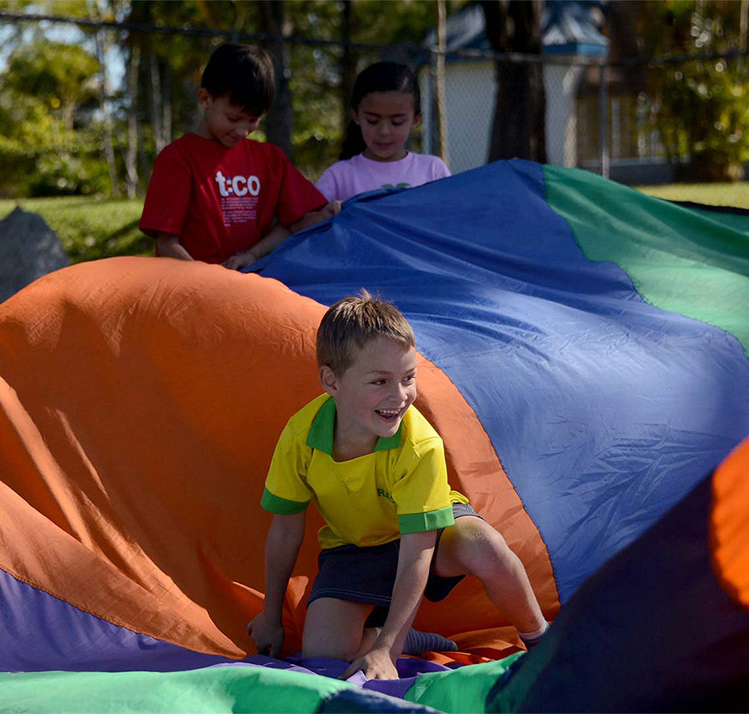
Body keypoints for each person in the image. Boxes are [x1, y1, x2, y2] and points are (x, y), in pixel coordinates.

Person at [247, 292, 549, 680]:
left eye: (408, 378)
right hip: (354, 546)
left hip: (429, 535)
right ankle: (406, 638)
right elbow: (286, 529)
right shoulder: (301, 437)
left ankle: (541, 638)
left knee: (485, 546)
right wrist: (271, 615)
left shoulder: (419, 445)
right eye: (380, 381)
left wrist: (386, 652)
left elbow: (418, 552)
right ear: (331, 381)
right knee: (323, 651)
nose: (400, 396)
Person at [139, 43, 330, 270]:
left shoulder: (270, 159)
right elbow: (167, 243)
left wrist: (253, 254)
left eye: (252, 120)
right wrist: (208, 280)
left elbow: (294, 223)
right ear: (205, 99)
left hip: (254, 284)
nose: (241, 130)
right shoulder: (177, 159)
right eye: (233, 118)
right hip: (192, 289)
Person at [315, 62, 451, 209]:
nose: (384, 131)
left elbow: (454, 217)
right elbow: (306, 223)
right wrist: (327, 213)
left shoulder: (433, 171)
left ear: (415, 119)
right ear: (356, 116)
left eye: (397, 122)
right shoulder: (339, 177)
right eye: (372, 121)